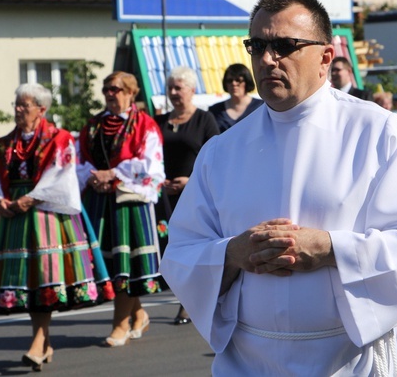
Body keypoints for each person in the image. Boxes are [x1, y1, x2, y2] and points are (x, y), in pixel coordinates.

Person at [161, 0, 397, 376]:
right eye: (257, 45)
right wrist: (232, 253)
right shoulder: (222, 151)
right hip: (249, 359)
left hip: (349, 358)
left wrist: (331, 248)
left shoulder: (379, 131)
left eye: (284, 46)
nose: (266, 59)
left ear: (326, 57)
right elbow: (181, 254)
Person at [0, 83, 114, 371]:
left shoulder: (59, 139)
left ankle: (39, 342)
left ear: (41, 109)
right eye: (17, 104)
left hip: (46, 215)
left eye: (25, 105)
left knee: (44, 279)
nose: (19, 110)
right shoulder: (5, 143)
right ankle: (42, 342)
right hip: (13, 218)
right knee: (29, 282)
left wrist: (30, 199)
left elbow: (61, 175)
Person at [78, 71, 165, 347]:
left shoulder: (145, 125)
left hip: (129, 202)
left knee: (125, 265)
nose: (109, 94)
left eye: (115, 89)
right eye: (106, 89)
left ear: (130, 93)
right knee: (112, 264)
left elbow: (150, 164)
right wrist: (93, 176)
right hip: (100, 200)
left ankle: (120, 324)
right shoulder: (93, 125)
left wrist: (112, 174)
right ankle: (138, 314)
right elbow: (79, 158)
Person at [154, 66, 219, 324]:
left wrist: (190, 181)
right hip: (164, 196)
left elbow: (216, 157)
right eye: (170, 88)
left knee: (191, 247)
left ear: (192, 90)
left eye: (178, 87)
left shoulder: (204, 120)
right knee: (170, 249)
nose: (173, 92)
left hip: (195, 194)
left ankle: (188, 303)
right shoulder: (158, 121)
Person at [208, 63, 264, 133]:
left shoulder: (261, 106)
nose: (234, 83)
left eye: (238, 80)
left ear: (247, 81)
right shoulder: (215, 110)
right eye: (229, 80)